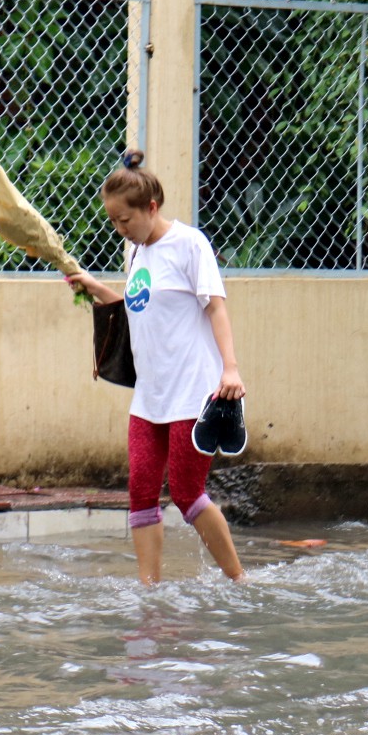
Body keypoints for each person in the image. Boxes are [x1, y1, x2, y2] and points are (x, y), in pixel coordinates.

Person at [64, 152, 247, 585]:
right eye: (114, 222)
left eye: (125, 220)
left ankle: (239, 581)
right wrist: (94, 287)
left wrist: (231, 370)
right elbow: (136, 311)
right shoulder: (137, 253)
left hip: (192, 391)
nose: (120, 230)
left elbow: (215, 308)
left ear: (151, 208)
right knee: (141, 492)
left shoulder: (189, 244)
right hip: (150, 395)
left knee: (186, 495)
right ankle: (149, 589)